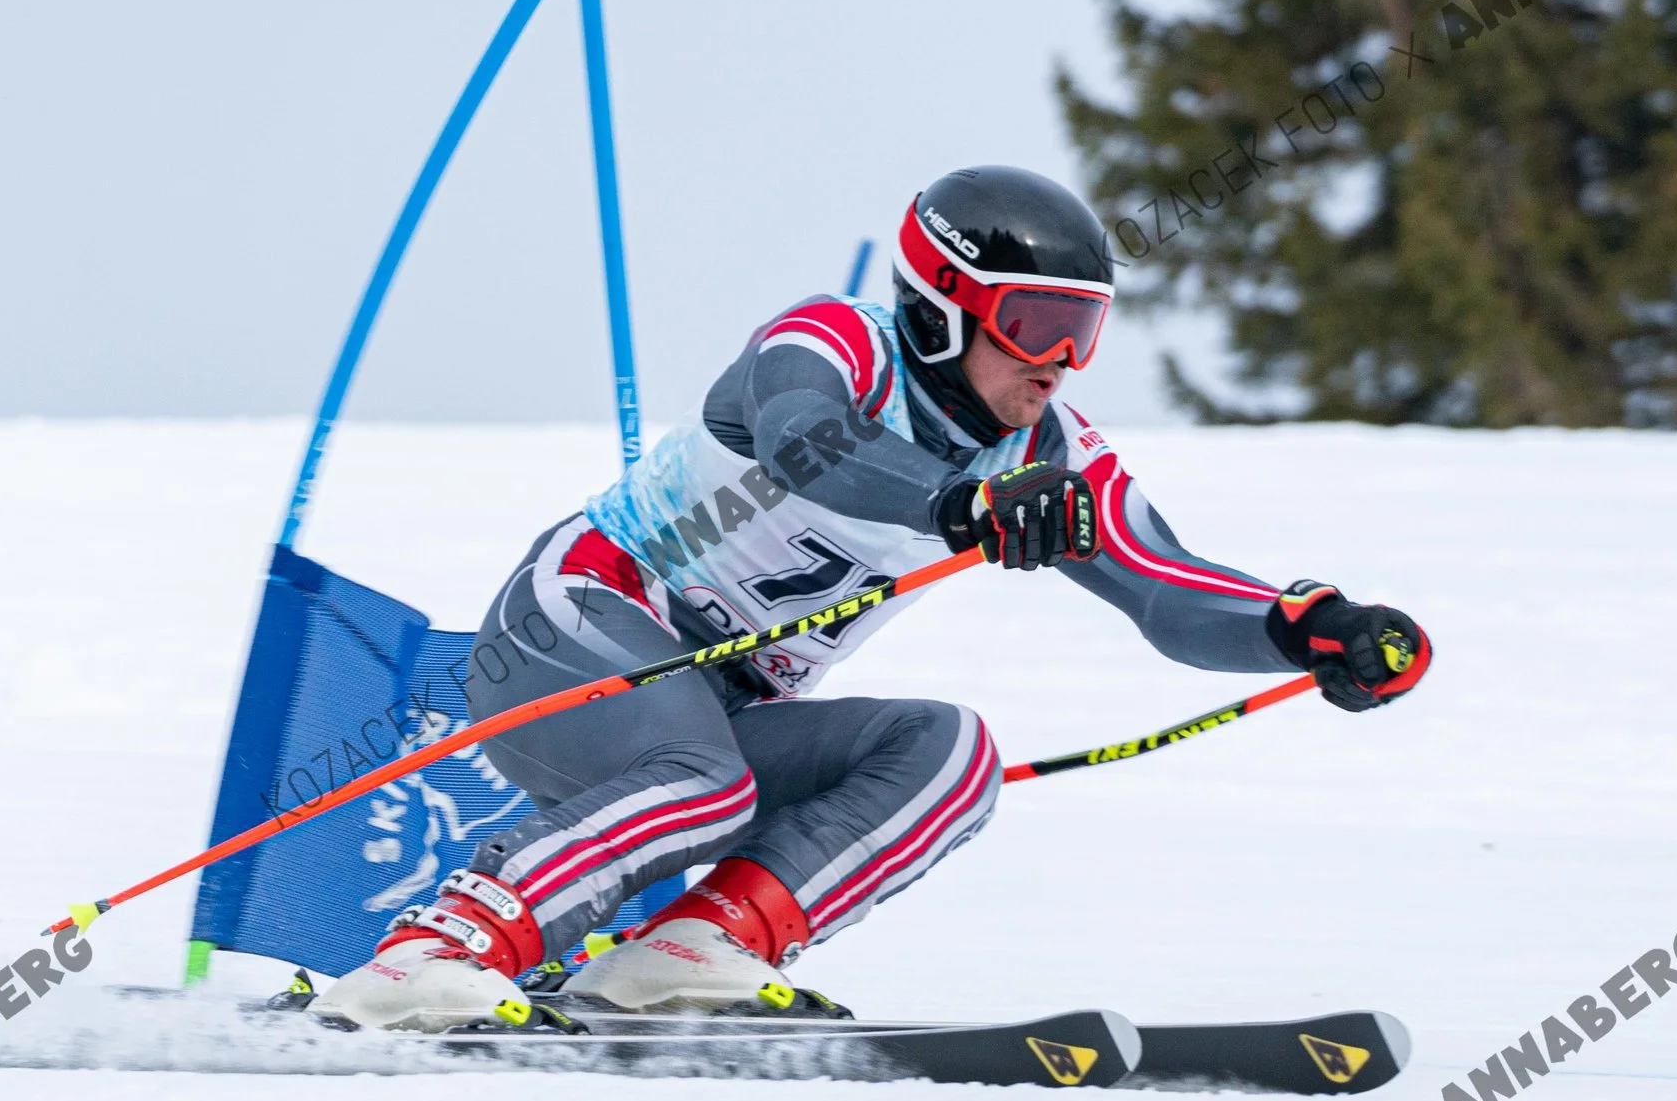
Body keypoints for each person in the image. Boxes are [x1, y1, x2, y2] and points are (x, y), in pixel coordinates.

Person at [310, 165, 1429, 1032]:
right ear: (943, 306)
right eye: (1035, 324)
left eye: (1083, 330)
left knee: (951, 753)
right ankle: (435, 950)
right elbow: (808, 445)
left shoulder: (1046, 451)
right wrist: (958, 505)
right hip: (570, 626)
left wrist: (1305, 629)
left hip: (720, 707)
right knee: (702, 780)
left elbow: (1164, 585)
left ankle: (689, 950)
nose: (1058, 361)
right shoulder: (833, 342)